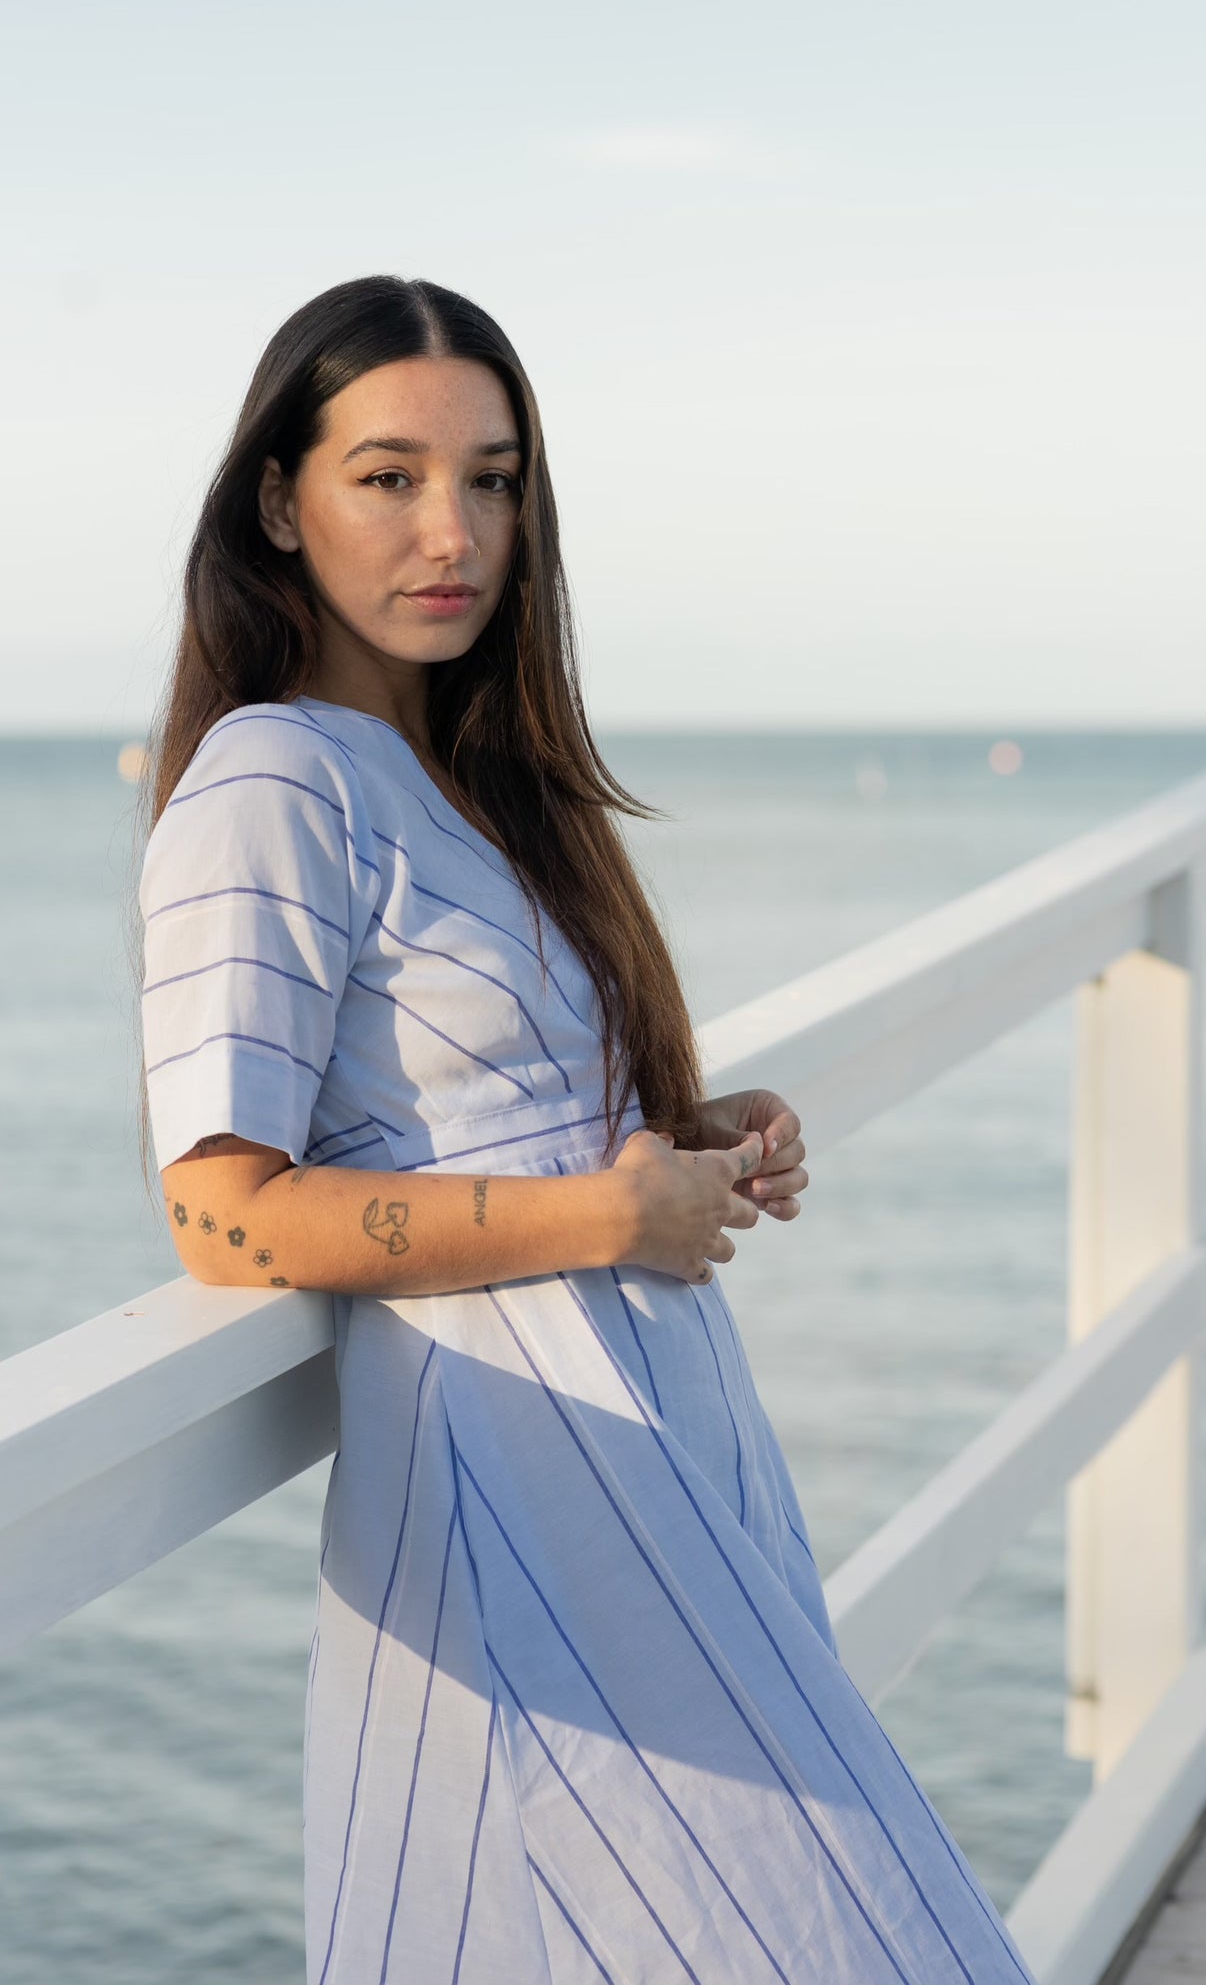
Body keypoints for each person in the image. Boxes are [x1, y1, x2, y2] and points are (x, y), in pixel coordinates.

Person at [138, 275, 1035, 1984]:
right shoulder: (271, 779)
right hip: (526, 1473)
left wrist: (678, 1133)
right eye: (387, 476)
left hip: (665, 1450)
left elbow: (481, 1102)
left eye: (491, 477)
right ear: (279, 499)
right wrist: (606, 1223)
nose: (450, 529)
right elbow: (227, 1217)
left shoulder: (479, 777)